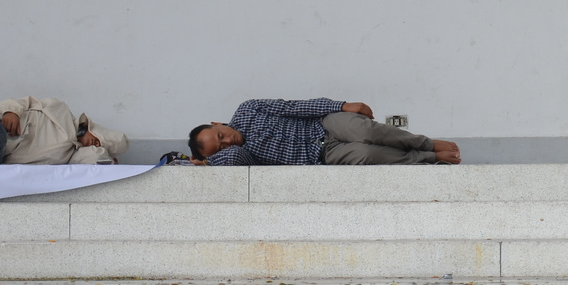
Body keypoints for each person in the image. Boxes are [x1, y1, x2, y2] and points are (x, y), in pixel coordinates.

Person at [188, 98, 461, 166]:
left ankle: (426, 143)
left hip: (323, 124)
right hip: (322, 154)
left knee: (366, 131)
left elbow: (294, 107)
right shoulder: (242, 155)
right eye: (220, 147)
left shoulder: (247, 109)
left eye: (221, 136)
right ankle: (427, 158)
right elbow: (233, 158)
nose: (228, 142)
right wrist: (209, 163)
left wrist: (341, 105)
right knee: (366, 153)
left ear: (217, 124)